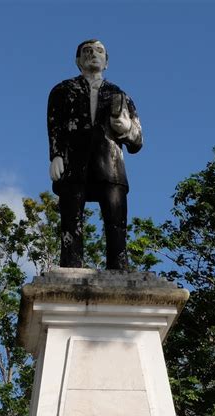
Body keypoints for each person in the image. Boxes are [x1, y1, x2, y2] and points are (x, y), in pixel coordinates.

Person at [47, 39, 143, 270]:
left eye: (99, 51)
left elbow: (138, 140)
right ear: (78, 60)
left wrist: (125, 128)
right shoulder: (62, 90)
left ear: (107, 61)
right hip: (73, 163)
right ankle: (71, 266)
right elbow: (55, 125)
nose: (93, 55)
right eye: (87, 51)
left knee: (116, 221)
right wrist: (56, 155)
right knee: (70, 222)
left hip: (110, 165)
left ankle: (119, 268)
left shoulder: (119, 95)